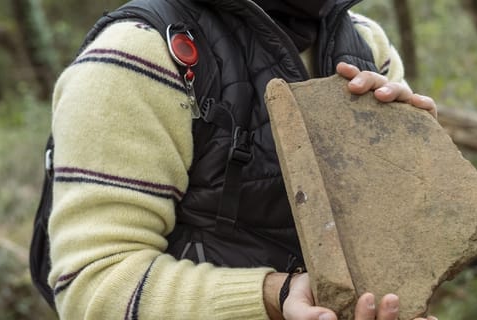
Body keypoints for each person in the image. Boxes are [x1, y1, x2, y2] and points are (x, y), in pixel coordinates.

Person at [46, 0, 437, 319]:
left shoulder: (367, 43)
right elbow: (91, 287)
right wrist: (272, 297)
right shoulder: (138, 54)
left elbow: (407, 250)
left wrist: (418, 159)